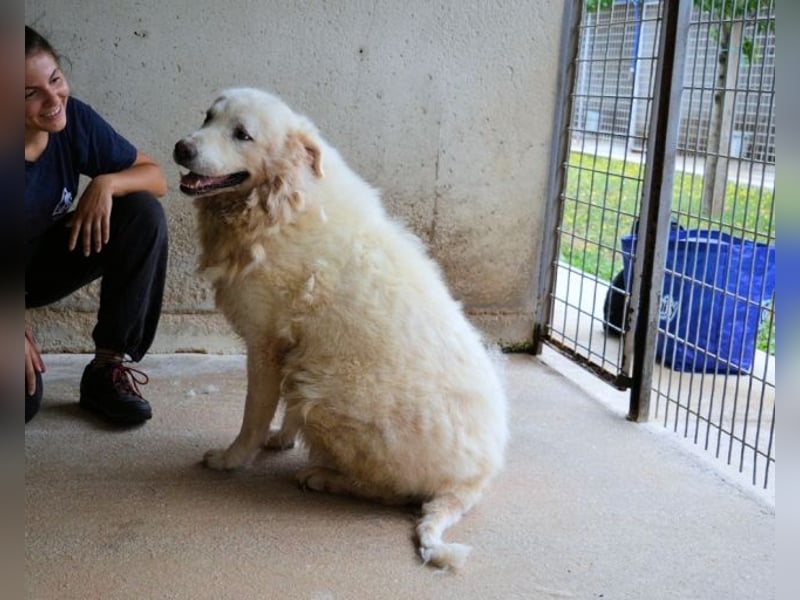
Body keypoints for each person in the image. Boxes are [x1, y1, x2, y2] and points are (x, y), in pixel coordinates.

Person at [24, 25, 168, 426]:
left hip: (40, 265)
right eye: (29, 93)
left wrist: (108, 182)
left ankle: (107, 370)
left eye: (55, 80)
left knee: (140, 211)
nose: (53, 100)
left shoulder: (73, 121)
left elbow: (155, 177)